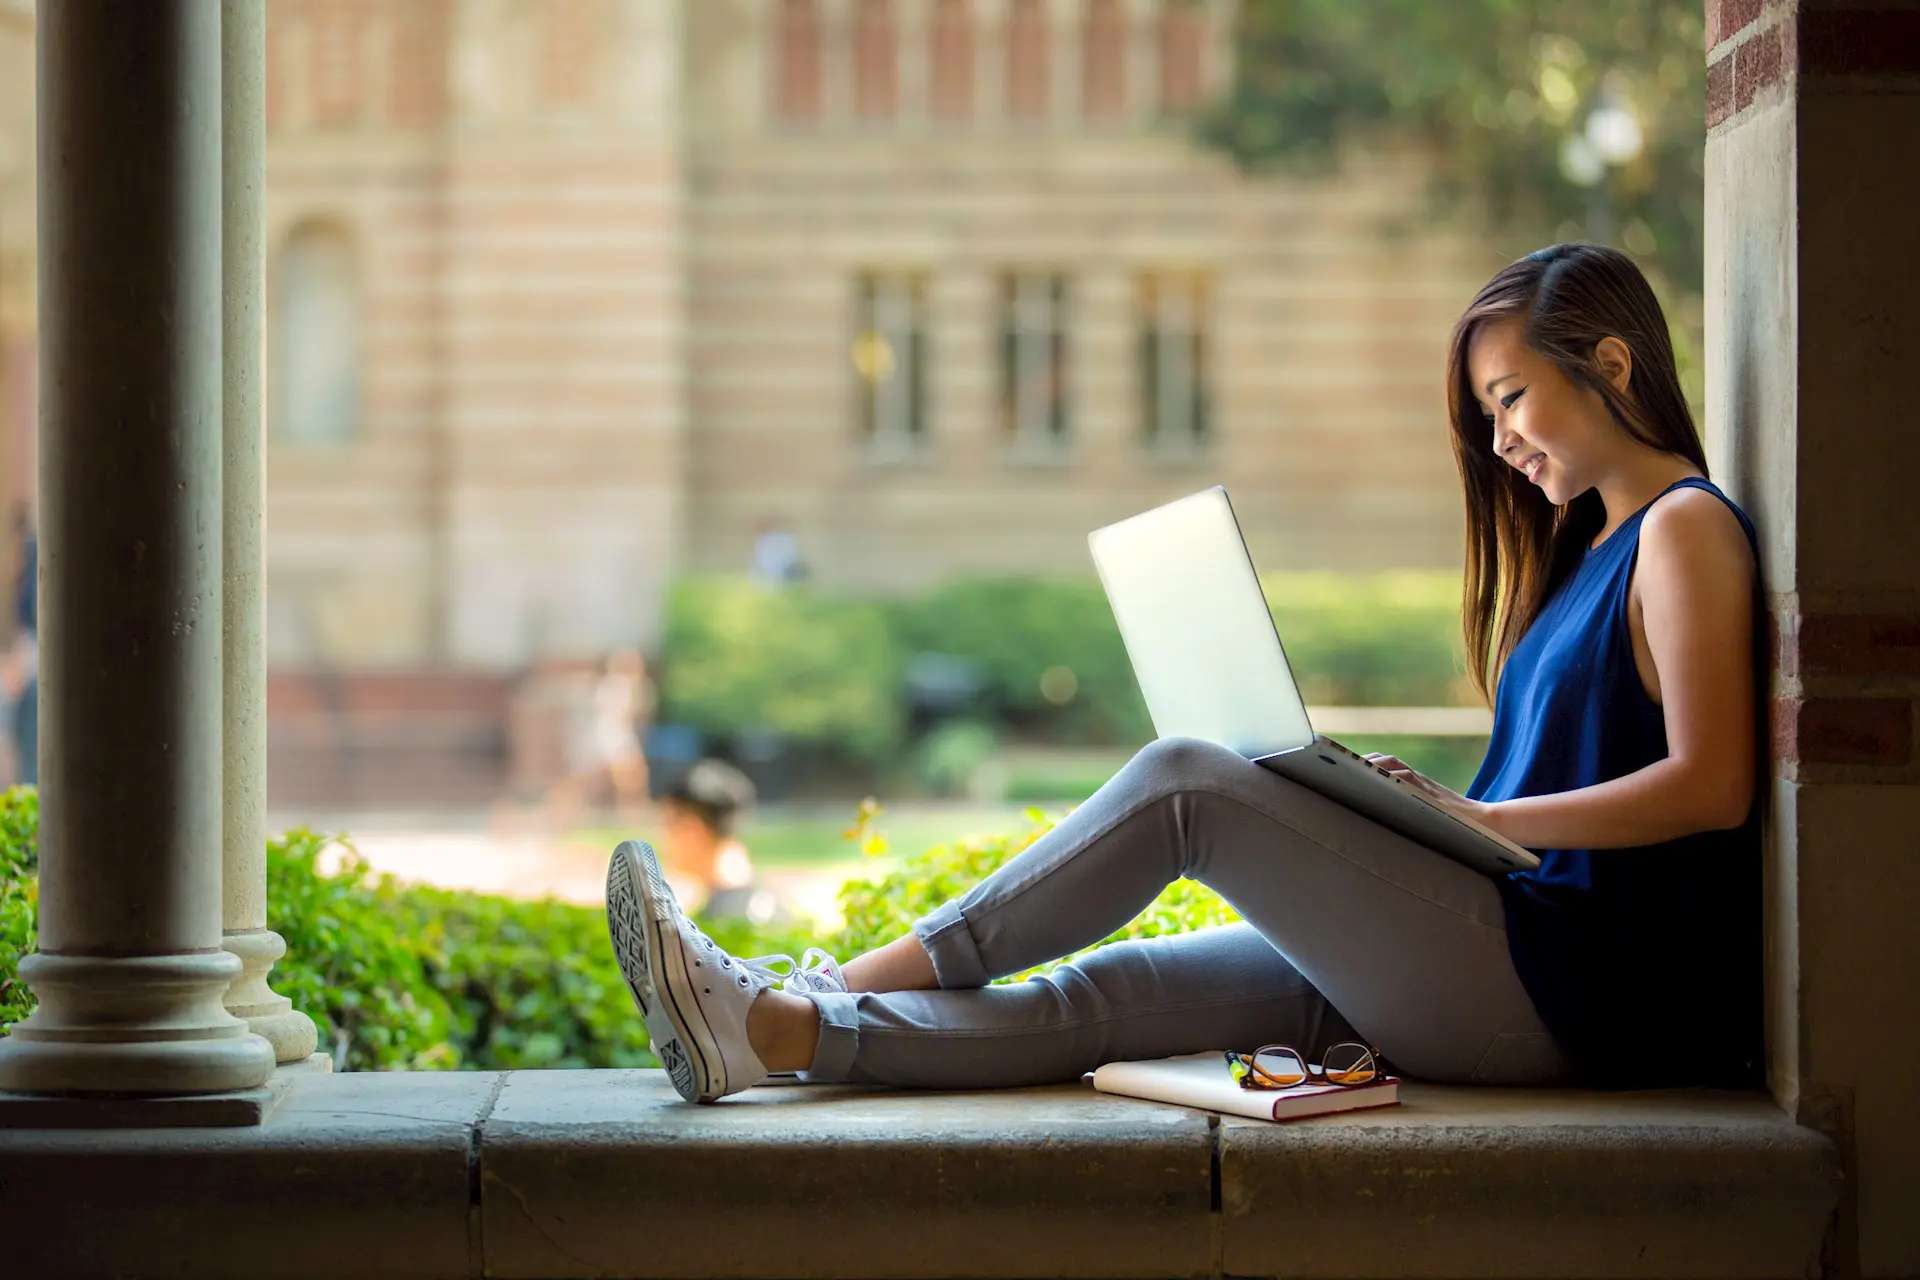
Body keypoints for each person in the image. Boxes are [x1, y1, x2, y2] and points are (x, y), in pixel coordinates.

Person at [605, 243, 1763, 1105]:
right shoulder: (1592, 551)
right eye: (1488, 411)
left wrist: (1481, 814)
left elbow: (1714, 785)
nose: (1501, 437)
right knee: (1113, 999)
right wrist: (1414, 814)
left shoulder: (1683, 529)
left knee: (1189, 784)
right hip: (1493, 951)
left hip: (1562, 991)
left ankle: (824, 975)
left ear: (1609, 361)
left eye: (1510, 398)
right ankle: (772, 1028)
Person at [655, 757, 780, 925]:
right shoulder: (768, 902)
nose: (661, 838)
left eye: (667, 825)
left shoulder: (725, 921)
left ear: (693, 830)